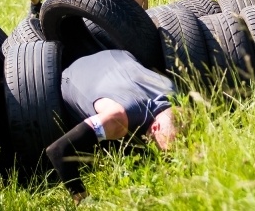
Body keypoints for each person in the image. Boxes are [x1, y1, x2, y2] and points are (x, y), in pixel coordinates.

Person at [46, 49, 179, 204]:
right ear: (155, 128)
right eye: (167, 151)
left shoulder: (174, 93)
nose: (168, 157)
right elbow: (58, 150)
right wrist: (84, 201)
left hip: (115, 54)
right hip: (74, 73)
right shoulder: (118, 119)